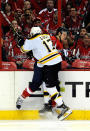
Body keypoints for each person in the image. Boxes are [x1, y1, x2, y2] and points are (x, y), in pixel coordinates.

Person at [16, 27, 72, 120]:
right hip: (56, 60)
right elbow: (40, 47)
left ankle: (62, 107)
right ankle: (57, 106)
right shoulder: (46, 35)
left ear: (32, 33)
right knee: (49, 85)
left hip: (49, 63)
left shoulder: (32, 40)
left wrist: (21, 43)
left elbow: (23, 49)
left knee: (50, 87)